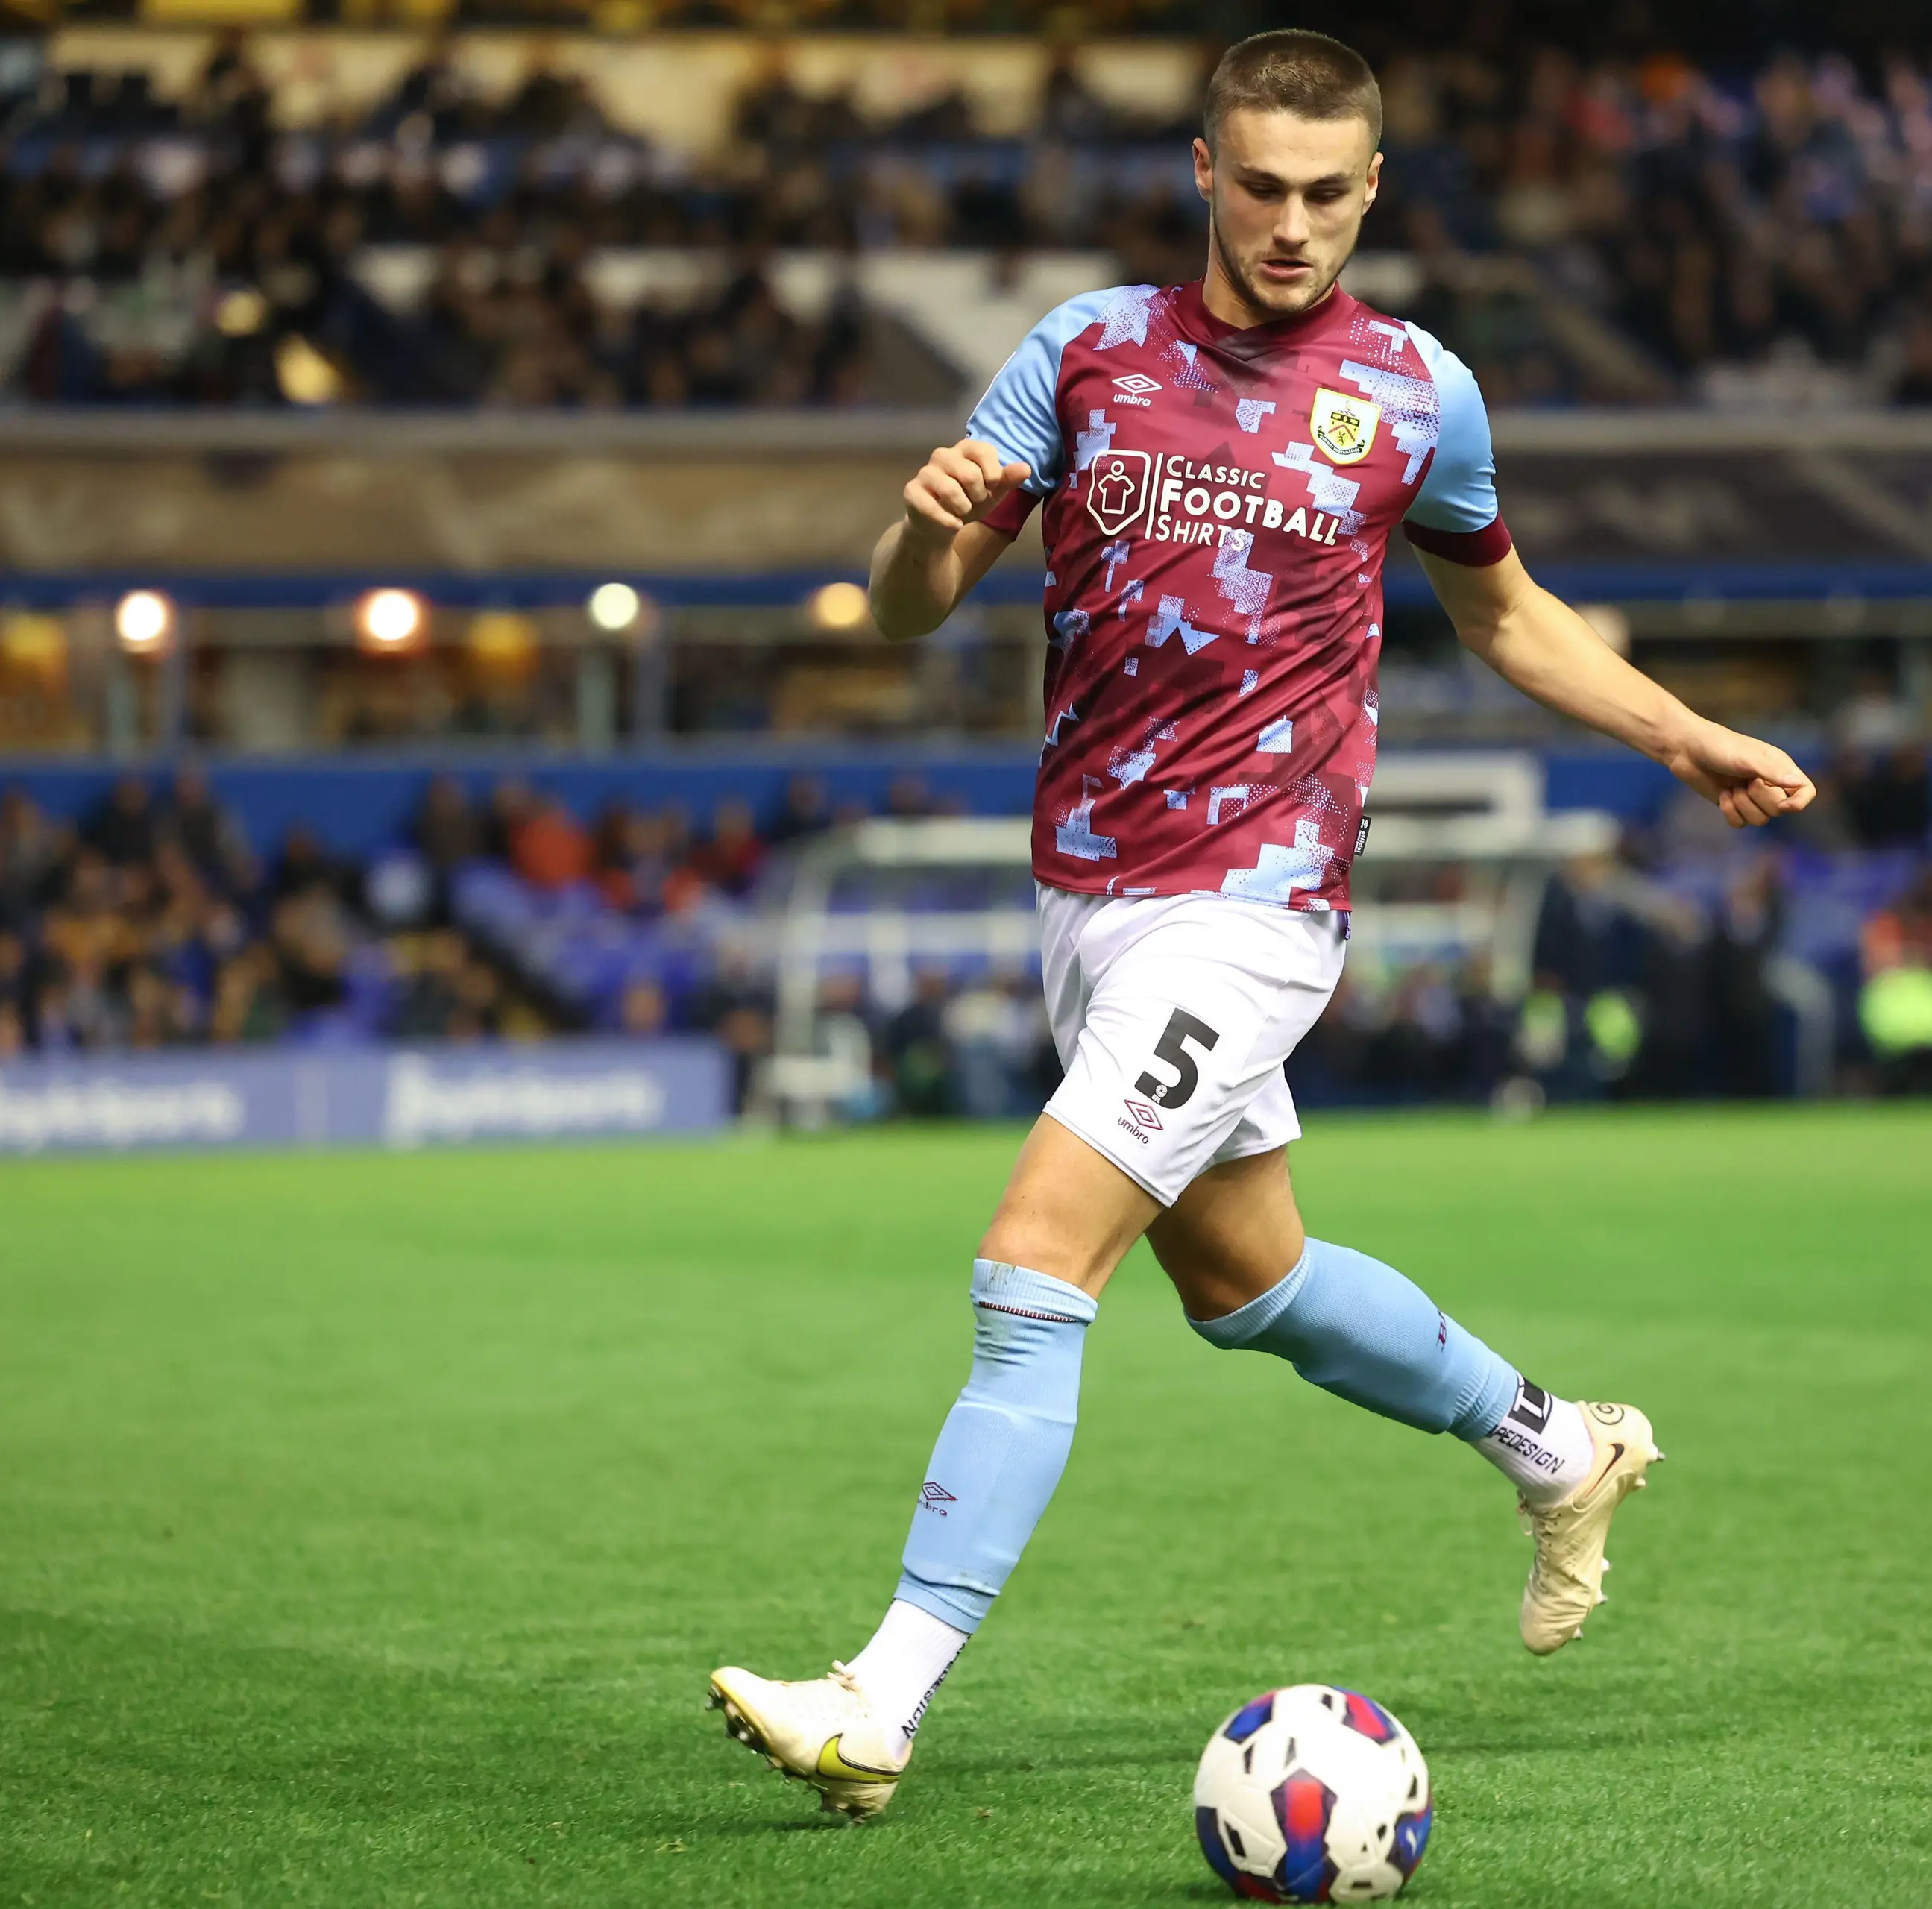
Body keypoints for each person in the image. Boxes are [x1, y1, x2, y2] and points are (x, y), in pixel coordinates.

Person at [705, 29, 1814, 1822]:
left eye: (1327, 195)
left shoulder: (1417, 390)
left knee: (1035, 1259)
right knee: (1249, 1283)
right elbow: (912, 607)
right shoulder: (1087, 350)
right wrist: (917, 536)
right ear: (1205, 174)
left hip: (1258, 903)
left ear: (1371, 190)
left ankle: (877, 1698)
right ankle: (1559, 1443)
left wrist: (1684, 736)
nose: (1294, 226)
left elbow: (1507, 615)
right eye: (1264, 188)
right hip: (1089, 890)